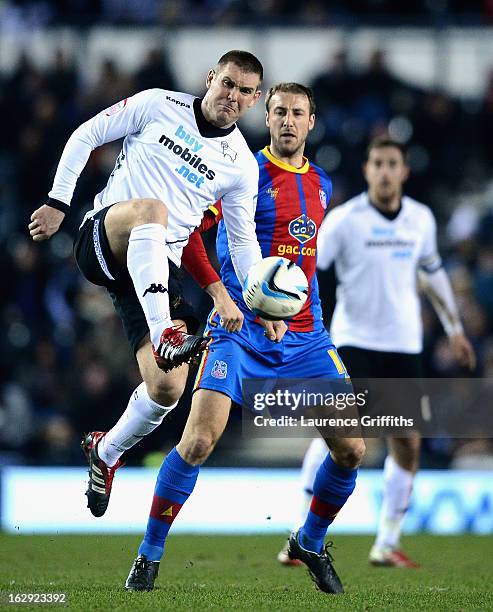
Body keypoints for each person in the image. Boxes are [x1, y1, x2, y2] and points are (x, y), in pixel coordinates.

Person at [124, 82, 366, 594]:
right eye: (278, 111)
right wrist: (223, 296)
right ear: (267, 117)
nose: (287, 121)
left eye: (297, 113)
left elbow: (305, 260)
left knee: (352, 450)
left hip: (306, 340)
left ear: (311, 123)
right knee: (198, 441)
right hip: (237, 333)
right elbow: (189, 231)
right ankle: (148, 556)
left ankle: (310, 541)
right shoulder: (240, 172)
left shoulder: (323, 183)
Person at [28, 50, 278, 518]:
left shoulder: (241, 166)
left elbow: (244, 246)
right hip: (105, 236)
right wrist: (58, 201)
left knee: (167, 390)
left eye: (244, 91)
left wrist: (261, 302)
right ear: (210, 78)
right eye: (227, 83)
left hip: (155, 273)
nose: (232, 96)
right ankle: (166, 331)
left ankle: (106, 452)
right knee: (154, 212)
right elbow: (87, 135)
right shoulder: (158, 104)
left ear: (254, 99)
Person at [278, 137, 476, 568]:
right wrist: (300, 325)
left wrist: (455, 329)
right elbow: (309, 271)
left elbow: (433, 273)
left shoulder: (420, 219)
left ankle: (385, 543)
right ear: (367, 170)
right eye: (377, 164)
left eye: (392, 164)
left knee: (406, 442)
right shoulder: (344, 221)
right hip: (352, 342)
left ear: (404, 171)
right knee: (339, 436)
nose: (385, 171)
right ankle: (298, 530)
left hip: (404, 346)